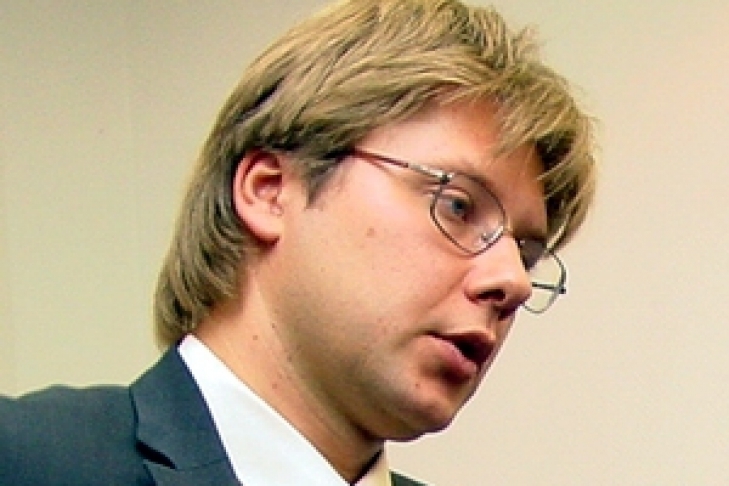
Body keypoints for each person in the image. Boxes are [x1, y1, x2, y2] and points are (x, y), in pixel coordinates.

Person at [0, 0, 596, 484]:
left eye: (525, 253)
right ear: (269, 191)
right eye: (458, 206)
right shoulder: (26, 462)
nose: (512, 282)